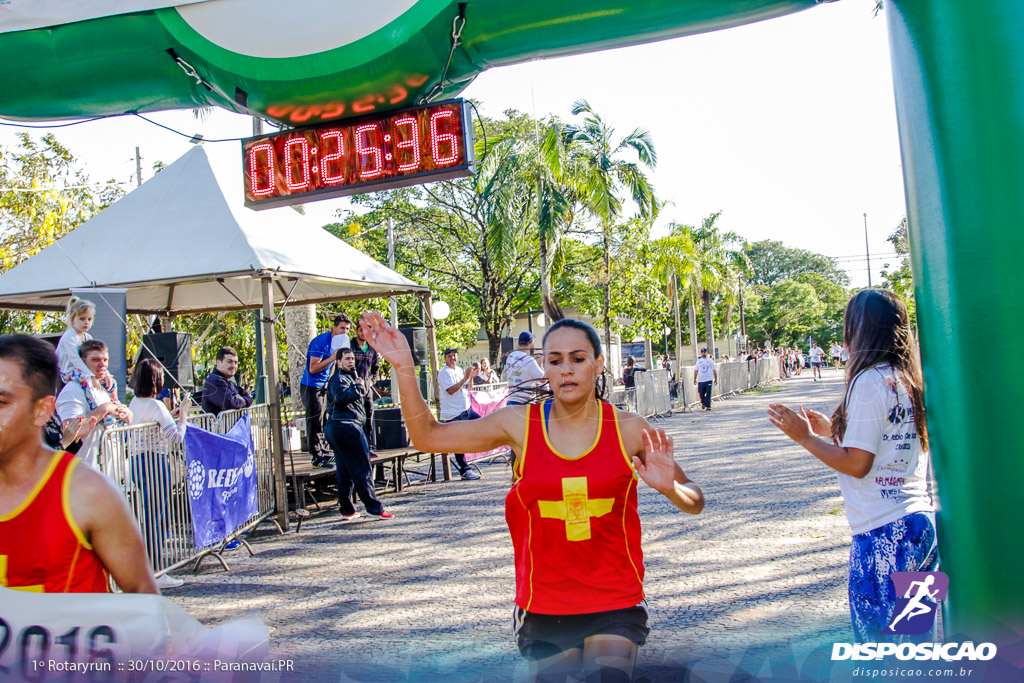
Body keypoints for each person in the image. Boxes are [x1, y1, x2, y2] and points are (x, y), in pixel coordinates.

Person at [361, 312, 704, 682]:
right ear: (545, 366)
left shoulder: (630, 428)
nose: (566, 370)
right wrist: (405, 368)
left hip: (615, 600)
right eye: (555, 361)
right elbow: (429, 437)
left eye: (578, 358)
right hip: (544, 604)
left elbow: (695, 500)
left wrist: (671, 488)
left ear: (598, 364)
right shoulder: (519, 424)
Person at [767, 289, 936, 643]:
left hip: (882, 533)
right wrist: (833, 431)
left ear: (859, 329)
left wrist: (805, 438)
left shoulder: (868, 380)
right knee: (913, 649)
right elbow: (887, 437)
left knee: (880, 650)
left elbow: (858, 464)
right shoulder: (907, 378)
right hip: (919, 527)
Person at [0, 335, 158, 594]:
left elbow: (143, 598)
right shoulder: (77, 390)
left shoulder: (87, 493)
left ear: (42, 410)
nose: (101, 364)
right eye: (95, 359)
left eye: (2, 402)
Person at [128, 358, 191, 589]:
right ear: (156, 380)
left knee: (151, 517)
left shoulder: (135, 402)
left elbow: (157, 425)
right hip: (154, 462)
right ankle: (155, 571)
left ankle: (151, 569)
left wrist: (171, 415)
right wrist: (183, 414)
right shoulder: (155, 405)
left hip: (137, 462)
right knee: (157, 519)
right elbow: (176, 437)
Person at [323, 348, 393, 521]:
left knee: (345, 470)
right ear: (338, 361)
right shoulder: (339, 378)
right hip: (346, 426)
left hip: (339, 426)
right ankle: (373, 508)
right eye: (347, 359)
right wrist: (358, 387)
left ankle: (347, 509)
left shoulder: (348, 377)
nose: (351, 362)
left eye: (352, 358)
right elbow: (341, 397)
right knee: (362, 468)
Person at [55, 340, 133, 467]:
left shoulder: (105, 389)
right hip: (84, 471)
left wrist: (127, 413)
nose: (102, 364)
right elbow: (68, 430)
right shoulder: (72, 390)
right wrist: (105, 409)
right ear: (83, 362)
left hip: (110, 471)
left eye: (105, 360)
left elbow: (128, 421)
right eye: (95, 360)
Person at [300, 314, 351, 467]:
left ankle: (326, 452)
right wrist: (331, 358)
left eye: (347, 329)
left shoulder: (341, 342)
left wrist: (329, 381)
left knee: (326, 419)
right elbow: (313, 368)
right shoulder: (320, 342)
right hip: (311, 385)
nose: (344, 331)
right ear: (334, 327)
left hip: (323, 385)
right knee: (314, 419)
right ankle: (316, 456)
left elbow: (334, 364)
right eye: (342, 328)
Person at [437, 347, 482, 480]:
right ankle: (464, 470)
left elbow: (467, 388)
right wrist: (465, 377)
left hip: (465, 408)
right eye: (449, 356)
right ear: (445, 358)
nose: (452, 358)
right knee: (458, 441)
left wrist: (471, 378)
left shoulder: (458, 370)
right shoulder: (444, 373)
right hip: (453, 412)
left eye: (454, 355)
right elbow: (450, 390)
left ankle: (473, 453)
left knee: (483, 424)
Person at [55, 297, 113, 394]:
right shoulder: (69, 336)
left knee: (110, 380)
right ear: (72, 319)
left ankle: (113, 401)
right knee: (86, 379)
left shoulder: (88, 337)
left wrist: (106, 374)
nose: (86, 322)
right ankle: (94, 404)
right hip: (67, 372)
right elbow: (75, 359)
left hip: (82, 370)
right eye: (82, 319)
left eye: (89, 319)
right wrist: (91, 375)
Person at [200, 346, 252, 416]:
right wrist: (244, 401)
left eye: (235, 362)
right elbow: (229, 402)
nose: (233, 366)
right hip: (217, 426)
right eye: (229, 362)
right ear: (218, 363)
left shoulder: (230, 382)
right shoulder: (214, 381)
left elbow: (248, 396)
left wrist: (242, 400)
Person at [503, 331, 545, 405]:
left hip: (510, 401)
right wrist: (541, 365)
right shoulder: (528, 360)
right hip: (524, 403)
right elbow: (543, 380)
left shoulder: (510, 356)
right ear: (530, 343)